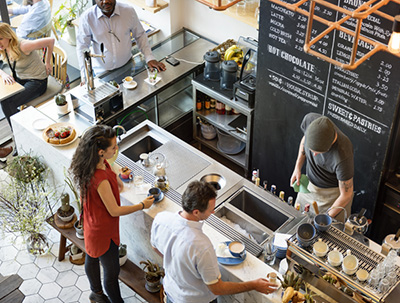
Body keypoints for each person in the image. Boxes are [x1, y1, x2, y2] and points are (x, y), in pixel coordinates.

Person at [151, 181, 277, 303]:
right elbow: (217, 288)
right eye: (211, 210)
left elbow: (155, 247)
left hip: (171, 293)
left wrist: (177, 263)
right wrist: (253, 285)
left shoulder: (161, 219)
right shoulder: (202, 246)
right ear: (196, 212)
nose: (213, 212)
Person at [69, 125, 154, 303]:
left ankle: (96, 293)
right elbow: (114, 210)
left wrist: (118, 177)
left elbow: (117, 185)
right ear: (101, 151)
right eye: (113, 147)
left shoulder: (95, 163)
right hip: (103, 231)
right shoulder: (99, 178)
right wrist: (141, 205)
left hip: (91, 222)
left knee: (92, 257)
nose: (116, 149)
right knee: (112, 271)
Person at [76, 0, 166, 84]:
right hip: (101, 74)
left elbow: (140, 35)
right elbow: (82, 47)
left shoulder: (128, 11)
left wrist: (149, 57)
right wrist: (85, 77)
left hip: (127, 67)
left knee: (129, 98)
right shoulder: (87, 18)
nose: (105, 1)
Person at [290, 113, 354, 222]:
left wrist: (326, 217)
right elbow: (304, 139)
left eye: (318, 152)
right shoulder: (310, 120)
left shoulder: (343, 154)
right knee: (297, 221)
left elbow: (346, 194)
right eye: (312, 150)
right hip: (309, 187)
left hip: (332, 197)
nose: (314, 155)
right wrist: (298, 167)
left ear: (330, 147)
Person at [0, 23, 54, 128]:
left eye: (1, 38)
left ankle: (19, 131)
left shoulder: (23, 46)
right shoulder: (3, 47)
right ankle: (21, 128)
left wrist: (48, 62)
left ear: (8, 35)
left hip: (38, 81)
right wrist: (3, 74)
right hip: (22, 78)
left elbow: (50, 41)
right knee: (4, 100)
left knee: (8, 104)